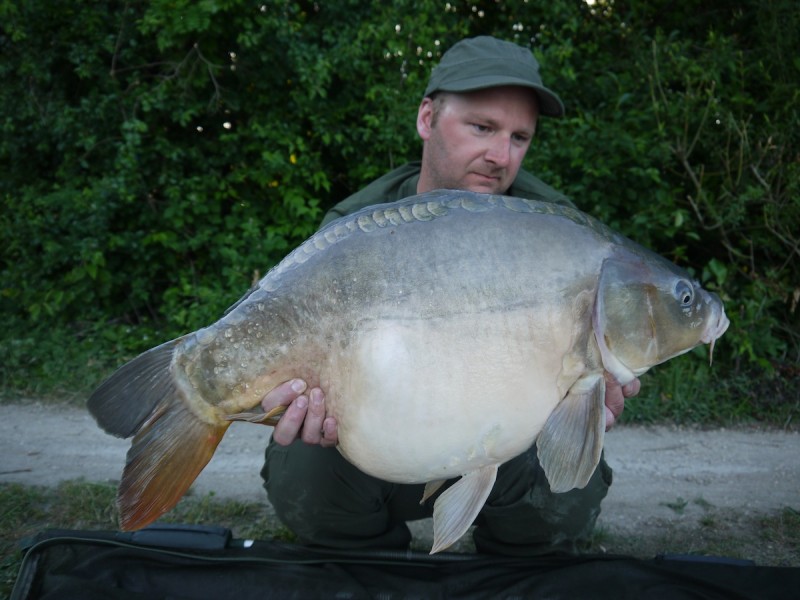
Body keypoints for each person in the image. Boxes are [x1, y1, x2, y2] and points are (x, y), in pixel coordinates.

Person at [259, 36, 640, 555]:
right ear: (426, 119)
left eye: (519, 137)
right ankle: (373, 565)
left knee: (561, 508)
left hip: (502, 437)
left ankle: (510, 564)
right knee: (305, 475)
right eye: (482, 128)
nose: (501, 156)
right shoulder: (353, 230)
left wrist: (585, 400)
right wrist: (300, 399)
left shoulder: (552, 232)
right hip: (382, 435)